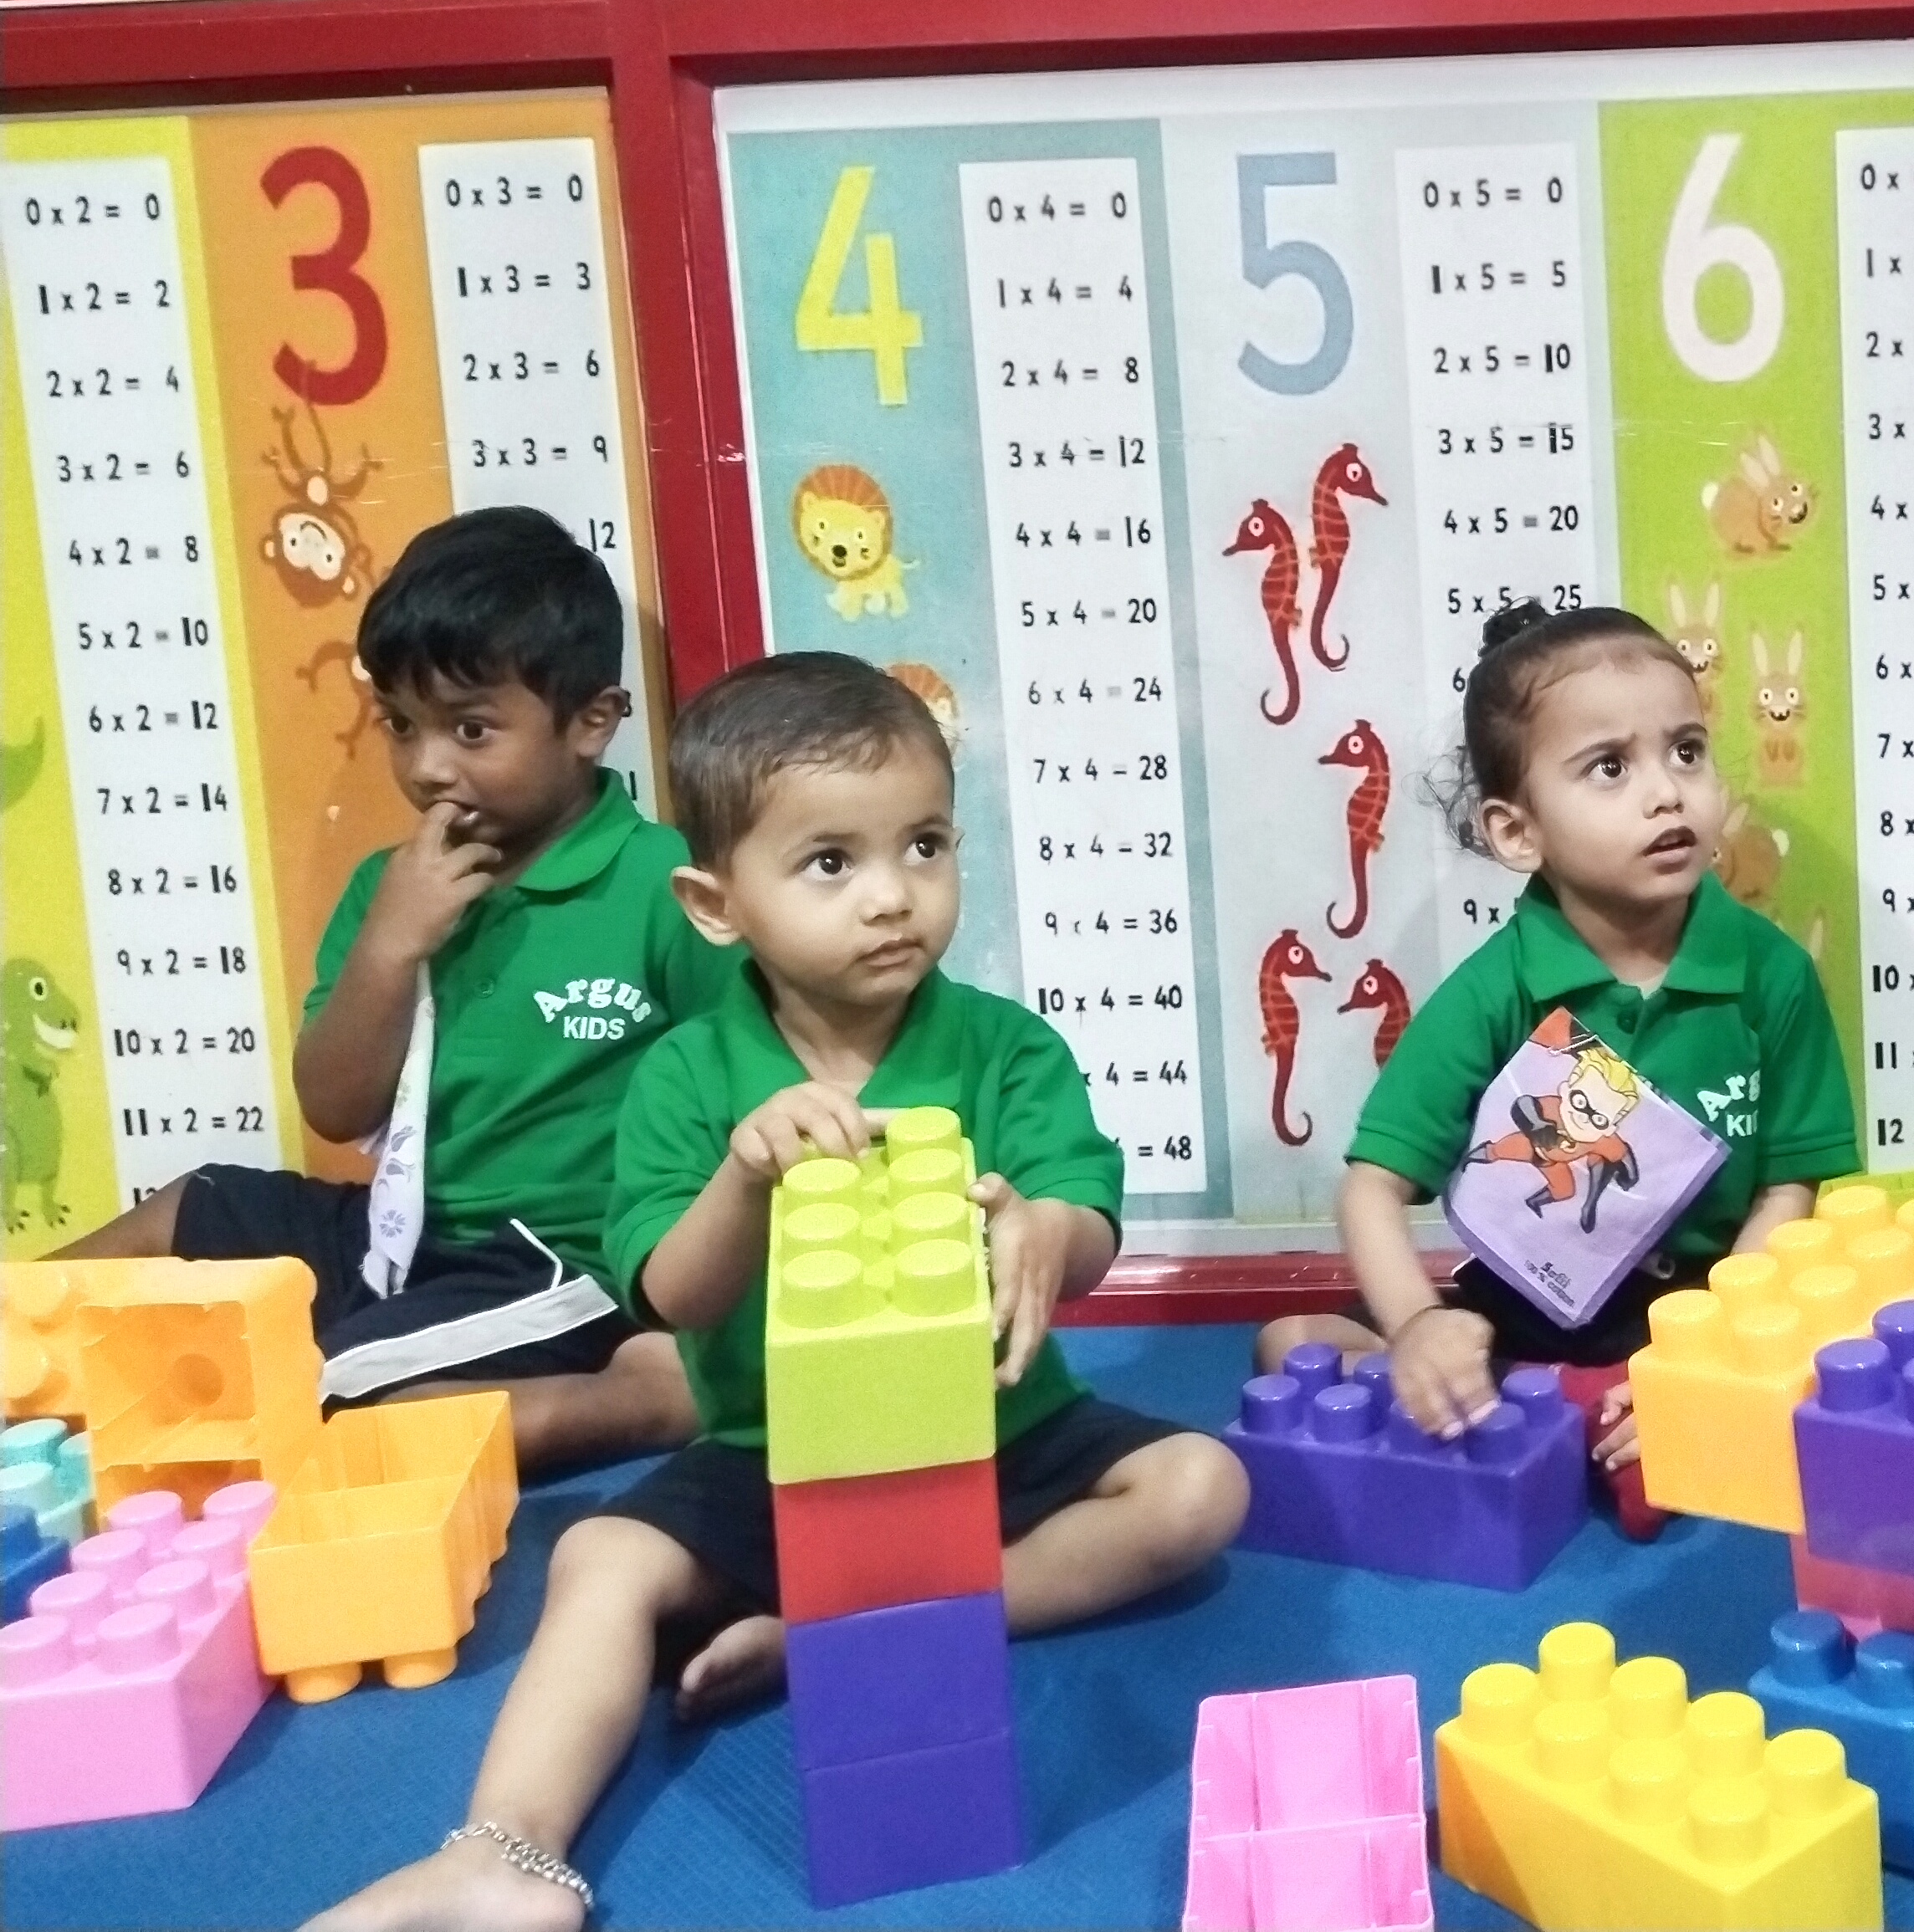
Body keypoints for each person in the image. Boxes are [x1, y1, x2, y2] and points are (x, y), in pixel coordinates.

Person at [311, 652, 1246, 1932]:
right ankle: (503, 1854)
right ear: (714, 902)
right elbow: (671, 1299)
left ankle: (829, 1635)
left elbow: (1083, 1214)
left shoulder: (1004, 1046)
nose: (892, 899)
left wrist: (1046, 1229)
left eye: (924, 846)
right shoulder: (688, 1080)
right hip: (774, 1452)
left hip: (1000, 1432)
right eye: (829, 864)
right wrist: (745, 1181)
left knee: (1201, 1488)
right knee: (600, 1556)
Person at [60, 508, 714, 1469]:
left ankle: (650, 1398)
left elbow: (750, 1082)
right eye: (402, 726)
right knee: (192, 1206)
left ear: (592, 722)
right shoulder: (387, 885)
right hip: (398, 1235)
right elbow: (334, 1107)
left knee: (340, 1396)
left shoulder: (664, 884)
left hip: (569, 1261)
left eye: (472, 728)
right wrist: (389, 945)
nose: (427, 766)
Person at [1255, 601, 1860, 1536]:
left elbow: (1790, 1190)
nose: (1668, 794)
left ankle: (1592, 1415)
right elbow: (1372, 1188)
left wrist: (1707, 1359)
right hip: (1526, 1304)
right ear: (1517, 832)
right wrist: (1420, 1329)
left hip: (1695, 1311)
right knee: (1290, 1344)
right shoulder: (1495, 990)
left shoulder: (1768, 976)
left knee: (1813, 1375)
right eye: (1610, 768)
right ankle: (1562, 1404)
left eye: (1687, 751)